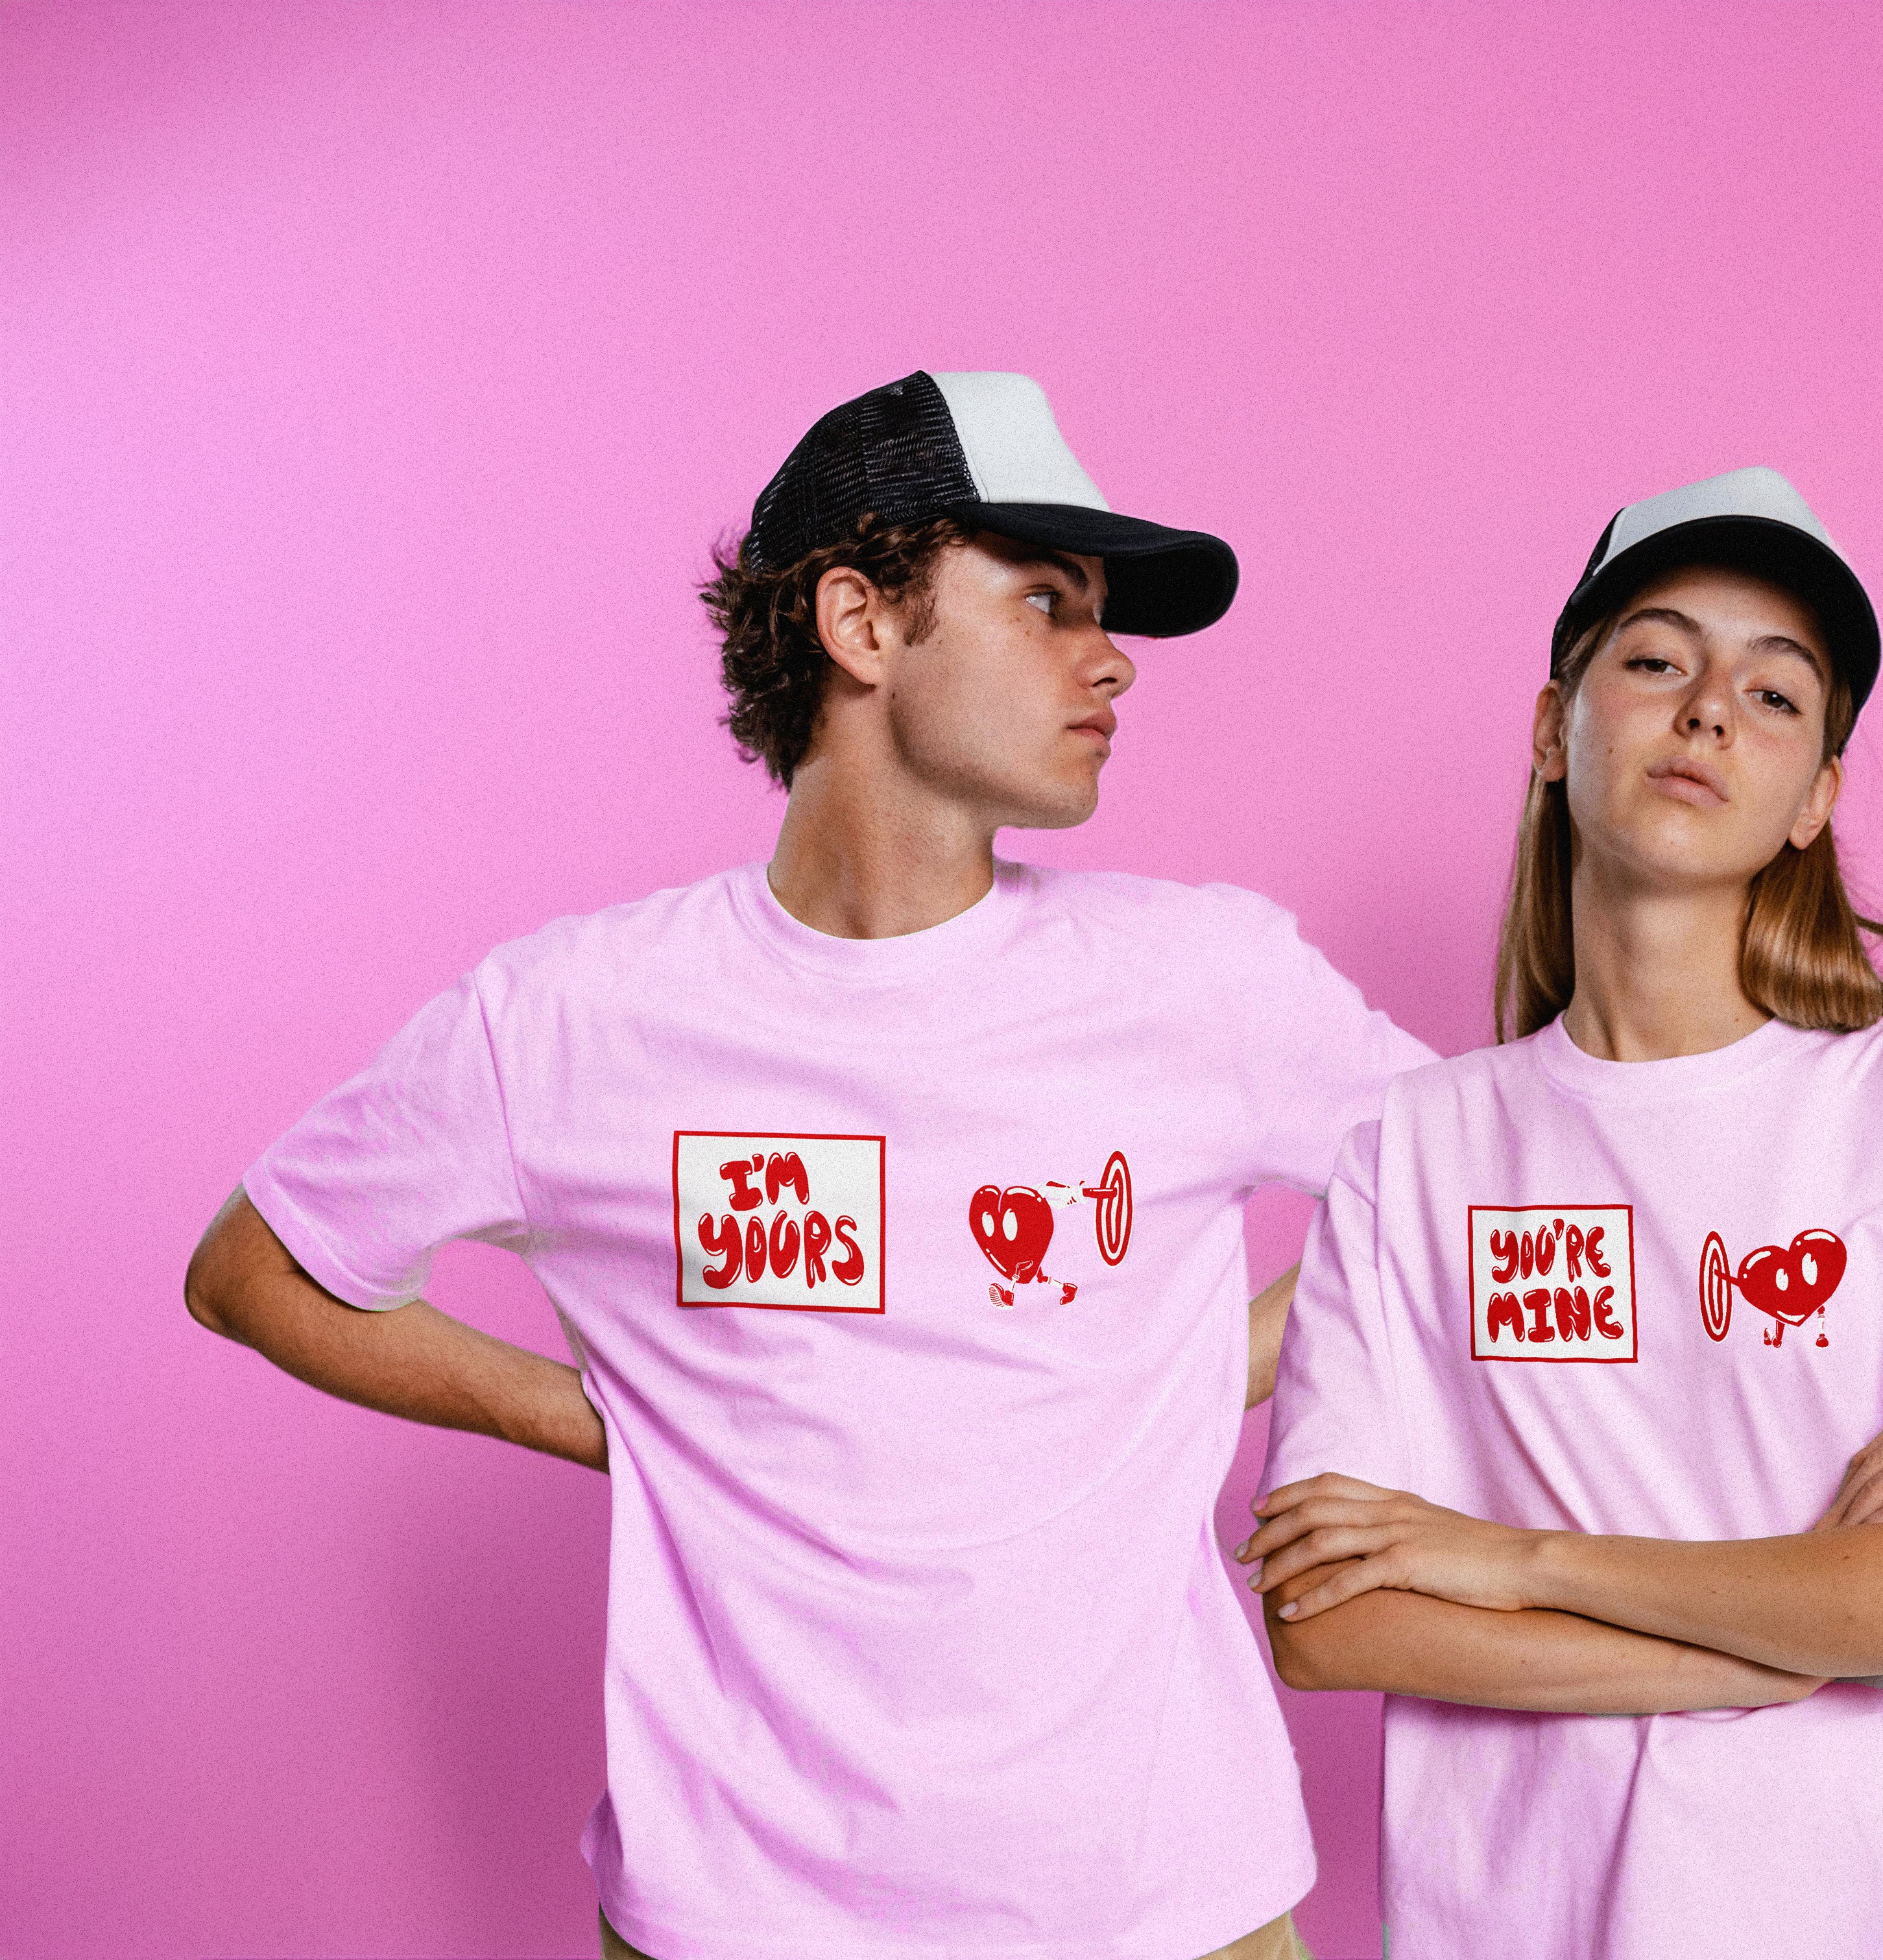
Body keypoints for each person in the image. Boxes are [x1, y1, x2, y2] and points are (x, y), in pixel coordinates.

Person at [183, 370, 1445, 1960]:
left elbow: (1486, 1192)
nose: (1109, 659)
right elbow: (253, 1267)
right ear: (859, 620)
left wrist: (1201, 1356)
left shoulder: (1202, 982)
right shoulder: (576, 1017)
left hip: (1164, 1906)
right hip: (739, 1914)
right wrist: (611, 1421)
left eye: (1101, 613)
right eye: (1046, 602)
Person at [1238, 468, 1883, 1959]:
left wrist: (1508, 1556)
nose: (1707, 709)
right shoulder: (1413, 1145)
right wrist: (1774, 1647)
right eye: (1654, 659)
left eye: (1775, 696)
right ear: (1550, 728)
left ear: (1814, 802)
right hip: (1528, 1918)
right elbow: (1331, 1620)